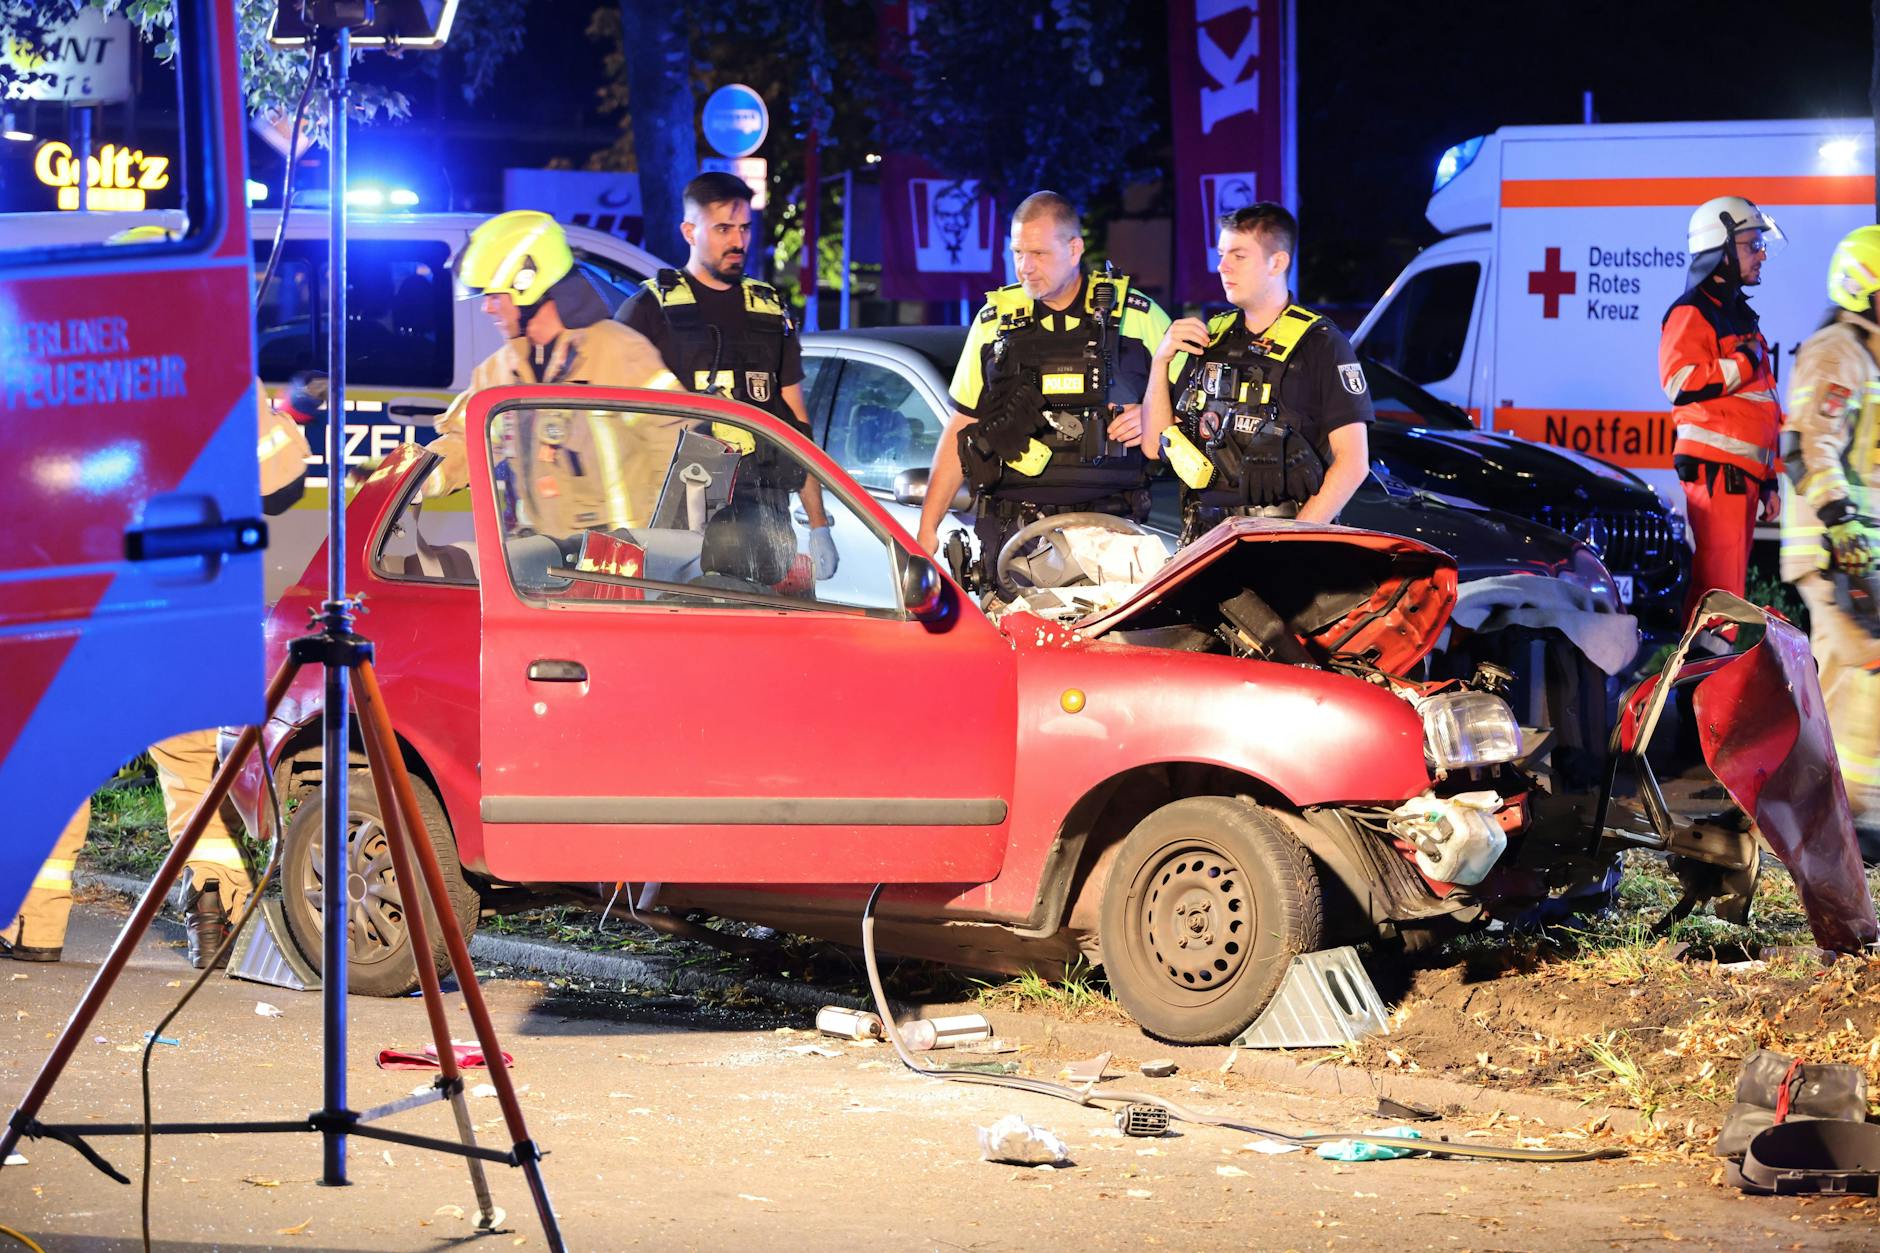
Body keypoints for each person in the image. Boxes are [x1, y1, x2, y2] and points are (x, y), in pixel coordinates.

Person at [2, 224, 313, 968]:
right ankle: (217, 908)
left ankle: (35, 925)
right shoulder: (218, 378)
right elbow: (286, 474)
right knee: (192, 785)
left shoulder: (90, 374)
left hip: (104, 618)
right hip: (194, 617)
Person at [916, 191, 1170, 584]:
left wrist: (1151, 413)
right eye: (1017, 252)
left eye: (1038, 254)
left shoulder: (1136, 316)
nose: (1024, 267)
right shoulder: (992, 323)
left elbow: (1194, 407)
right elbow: (960, 427)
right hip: (1013, 538)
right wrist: (926, 529)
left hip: (1112, 535)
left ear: (1074, 249)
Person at [615, 172, 837, 580]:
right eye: (722, 229)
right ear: (689, 231)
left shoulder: (770, 312)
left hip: (764, 519)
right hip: (679, 523)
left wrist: (819, 524)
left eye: (744, 228)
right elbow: (616, 429)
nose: (738, 242)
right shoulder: (647, 310)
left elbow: (796, 422)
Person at [424, 209, 682, 532]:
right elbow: (466, 442)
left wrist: (661, 554)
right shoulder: (499, 372)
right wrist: (416, 477)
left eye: (493, 295)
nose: (486, 307)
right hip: (539, 569)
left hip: (622, 568)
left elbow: (676, 450)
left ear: (526, 282)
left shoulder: (619, 353)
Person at [1142, 203, 1372, 542]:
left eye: (1239, 256)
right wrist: (1161, 360)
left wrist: (1292, 541)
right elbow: (1153, 444)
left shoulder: (1321, 344)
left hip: (1283, 546)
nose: (1222, 267)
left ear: (1277, 262)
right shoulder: (1210, 339)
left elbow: (1353, 464)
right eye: (1221, 254)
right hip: (1204, 544)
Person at [1781, 224, 1880, 860]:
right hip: (1833, 545)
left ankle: (1840, 813)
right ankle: (1851, 821)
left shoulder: (1865, 354)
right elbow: (1809, 445)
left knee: (1855, 673)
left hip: (1853, 543)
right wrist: (1844, 525)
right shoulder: (1838, 351)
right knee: (1863, 667)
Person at [1659, 195, 1785, 622]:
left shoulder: (1738, 315)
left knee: (1724, 596)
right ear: (1722, 249)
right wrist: (1744, 361)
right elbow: (1679, 382)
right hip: (1719, 473)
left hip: (1742, 474)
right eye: (1752, 245)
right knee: (1720, 600)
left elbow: (1762, 405)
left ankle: (1700, 683)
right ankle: (1699, 686)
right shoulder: (1692, 311)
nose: (1761, 254)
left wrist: (1768, 479)